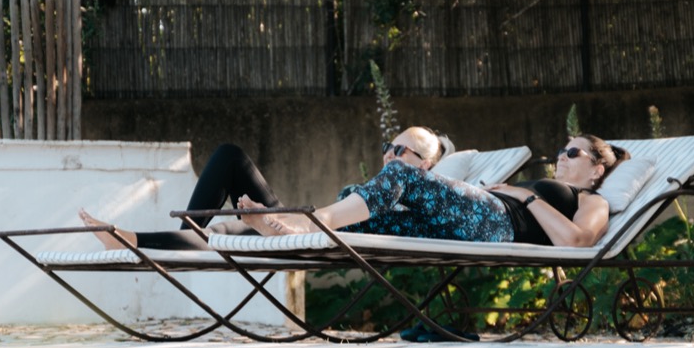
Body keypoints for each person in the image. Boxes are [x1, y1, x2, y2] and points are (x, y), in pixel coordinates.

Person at [80, 126, 456, 251]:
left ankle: (150, 244)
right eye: (387, 147)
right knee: (229, 159)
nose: (388, 154)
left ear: (424, 164)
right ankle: (163, 244)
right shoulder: (388, 184)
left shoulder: (424, 195)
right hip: (299, 223)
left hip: (307, 233)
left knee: (223, 229)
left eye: (399, 149)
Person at [239, 134, 629, 247]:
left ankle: (310, 226)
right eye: (562, 149)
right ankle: (286, 225)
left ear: (596, 169)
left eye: (572, 151)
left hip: (499, 224)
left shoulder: (591, 199)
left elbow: (577, 242)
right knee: (371, 214)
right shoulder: (551, 184)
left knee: (404, 174)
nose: (561, 154)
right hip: (474, 219)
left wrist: (526, 196)